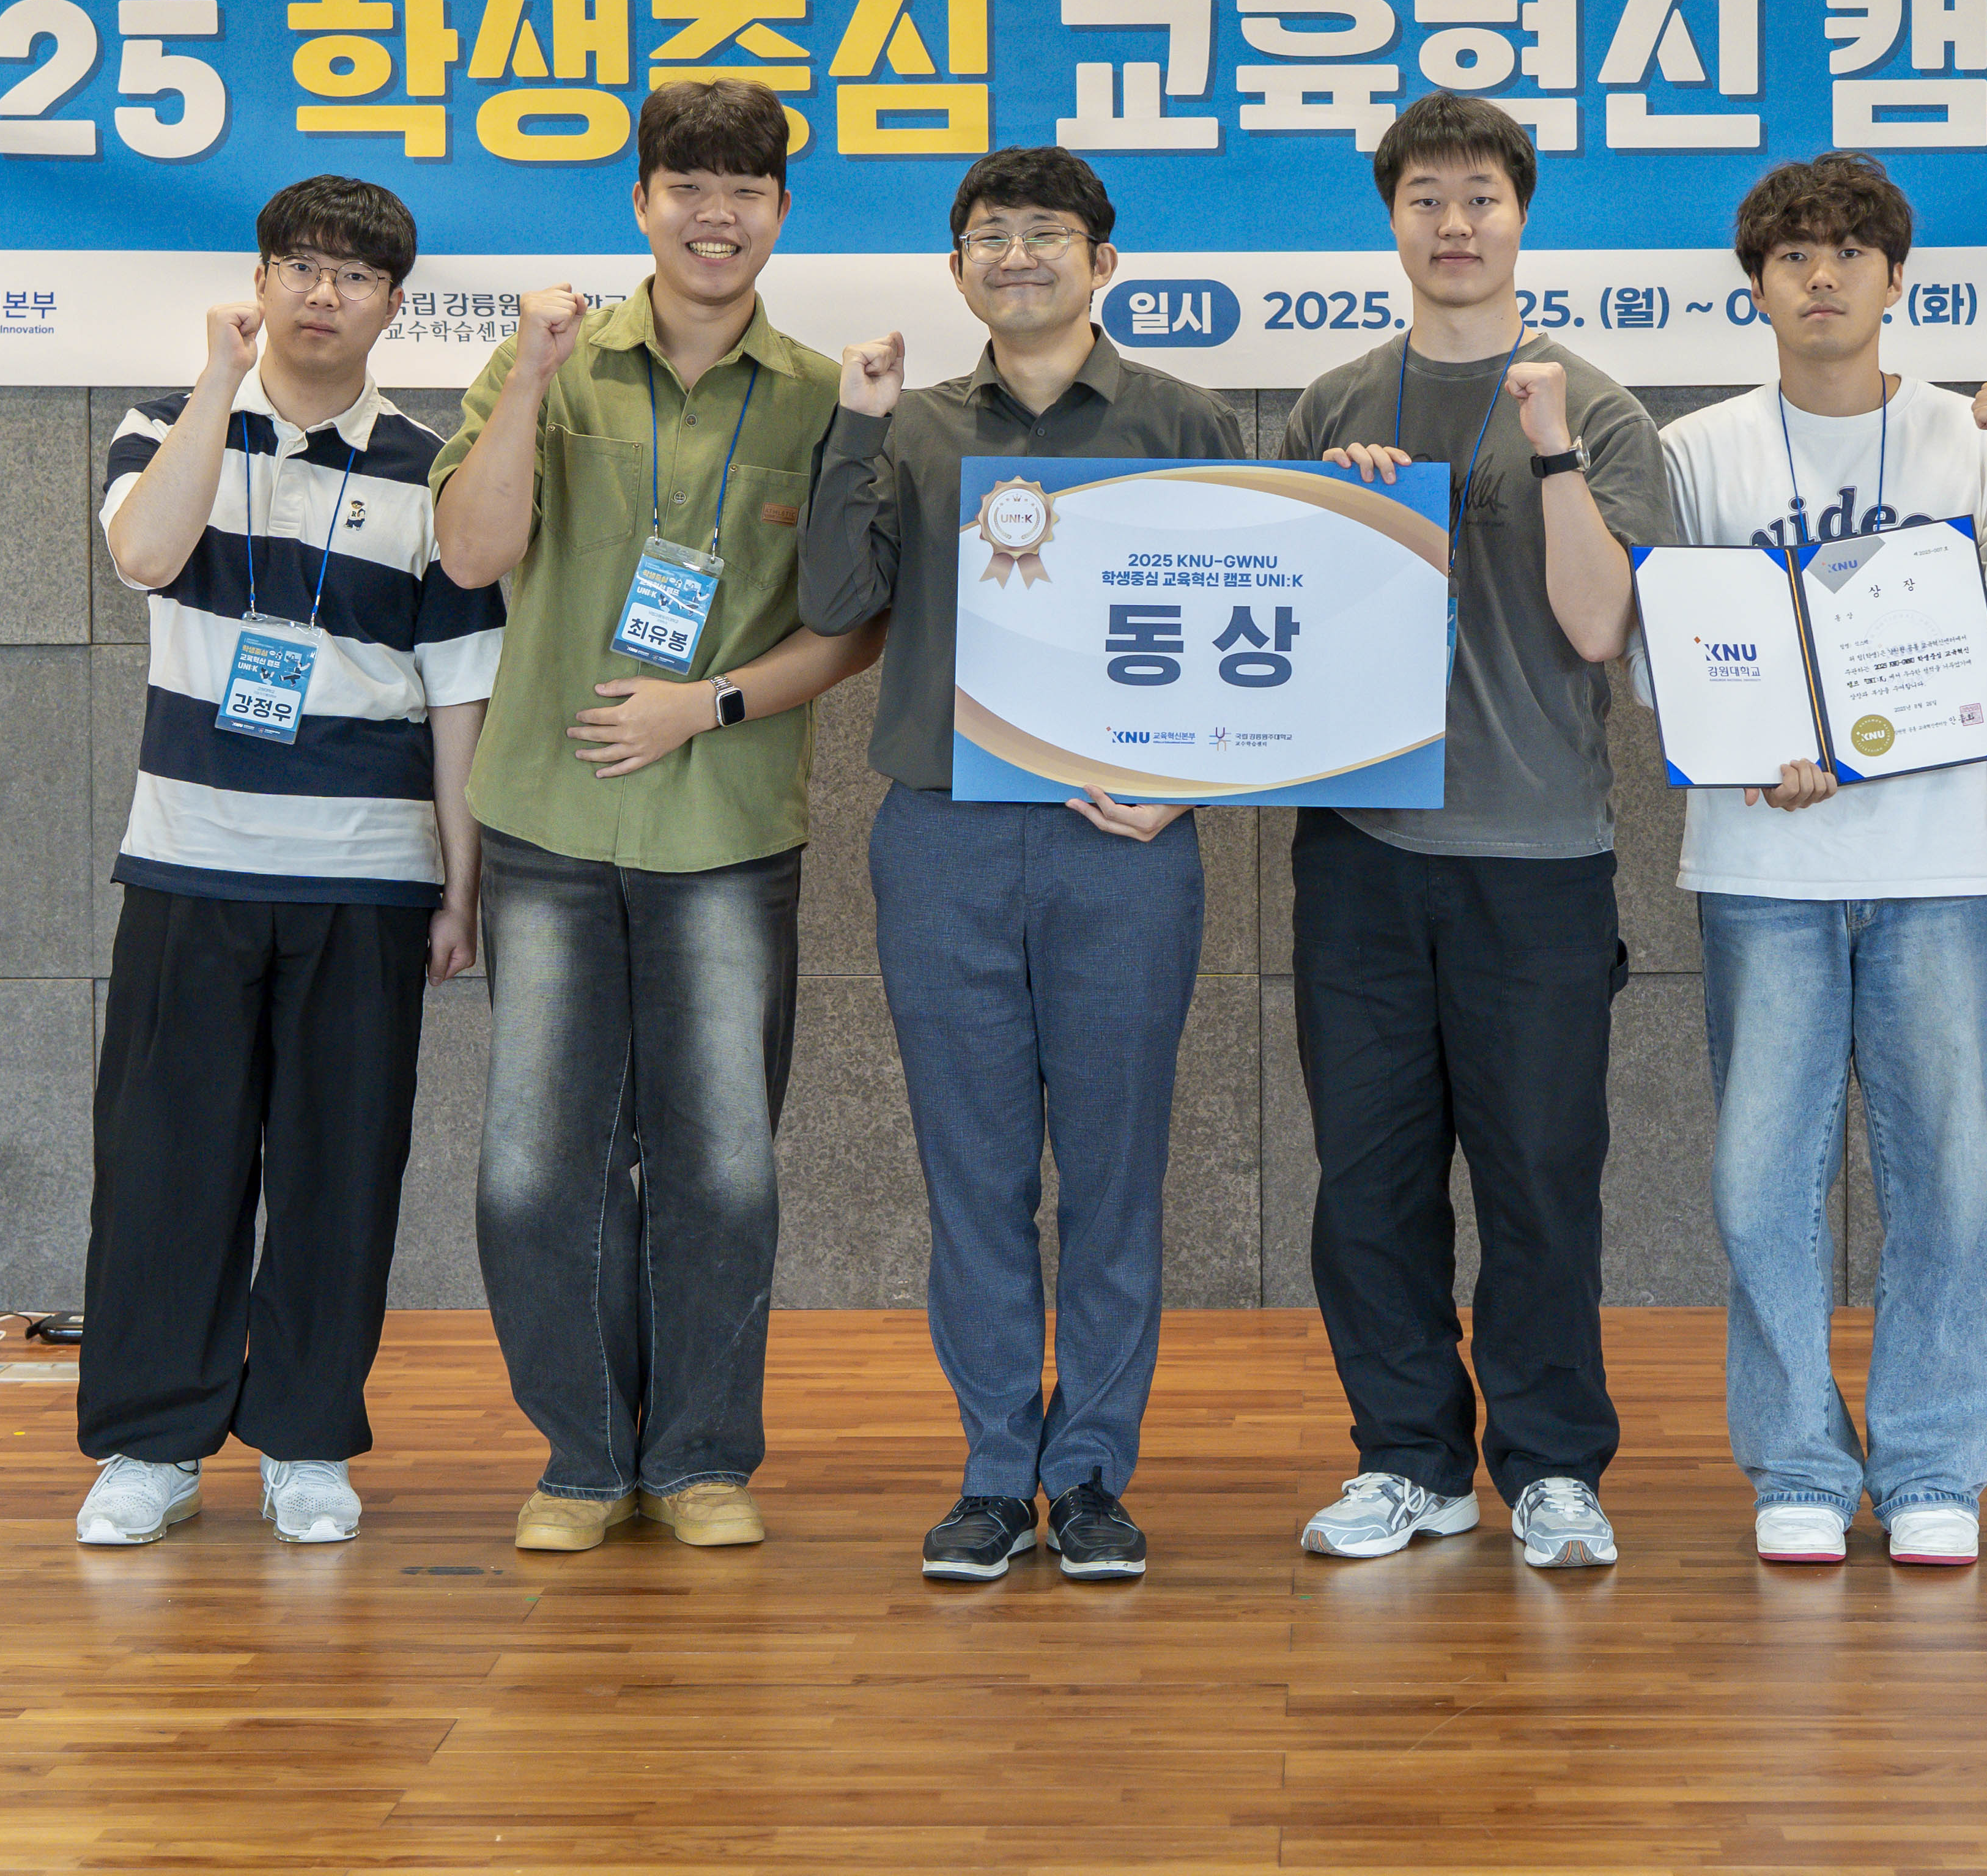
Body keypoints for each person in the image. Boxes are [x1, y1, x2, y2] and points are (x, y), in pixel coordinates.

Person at [430, 78, 884, 1554]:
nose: (715, 212)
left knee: (721, 1169)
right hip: (551, 821)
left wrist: (709, 704)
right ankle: (580, 1457)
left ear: (781, 212)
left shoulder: (820, 395)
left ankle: (695, 1456)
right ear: (641, 202)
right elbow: (472, 551)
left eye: (745, 187)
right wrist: (526, 376)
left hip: (727, 831)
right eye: (688, 183)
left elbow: (853, 623)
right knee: (534, 1171)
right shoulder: (551, 364)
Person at [799, 144, 1245, 1584]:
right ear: (956, 270)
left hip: (1124, 840)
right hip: (943, 834)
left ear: (1103, 261)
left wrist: (1191, 787)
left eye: (1046, 232)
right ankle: (997, 1470)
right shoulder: (914, 423)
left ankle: (1094, 1470)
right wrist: (856, 426)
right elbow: (834, 598)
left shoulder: (1184, 418)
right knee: (974, 1174)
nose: (1017, 255)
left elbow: (1254, 626)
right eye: (989, 236)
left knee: (1114, 1172)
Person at [1656, 153, 1987, 1567]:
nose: (1820, 275)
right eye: (1791, 255)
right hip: (1760, 866)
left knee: (1945, 1174)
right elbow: (1664, 669)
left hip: (1935, 862)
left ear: (1897, 277)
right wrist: (1757, 738)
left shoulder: (1969, 433)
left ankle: (1934, 1462)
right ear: (1755, 285)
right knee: (1757, 1181)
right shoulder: (1700, 451)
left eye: (1846, 251)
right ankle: (1796, 1462)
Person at [74, 175, 500, 1548]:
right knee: (165, 1166)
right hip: (190, 863)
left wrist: (460, 885)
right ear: (259, 281)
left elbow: (459, 693)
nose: (325, 293)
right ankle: (151, 1443)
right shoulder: (167, 424)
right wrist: (220, 381)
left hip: (366, 876)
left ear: (394, 303)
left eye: (356, 274)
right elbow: (146, 556)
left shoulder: (431, 468)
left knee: (340, 1169)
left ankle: (308, 1437)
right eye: (301, 265)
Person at [1281, 90, 1674, 1570]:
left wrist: (1552, 450)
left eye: (1481, 198)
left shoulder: (1597, 404)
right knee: (1367, 1184)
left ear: (1522, 216)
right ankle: (1407, 1458)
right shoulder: (1332, 401)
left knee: (1538, 1179)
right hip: (1361, 854)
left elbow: (1599, 624)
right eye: (1426, 198)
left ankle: (1554, 1463)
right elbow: (1286, 635)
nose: (1454, 224)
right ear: (1391, 218)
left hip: (1538, 858)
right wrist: (1340, 512)